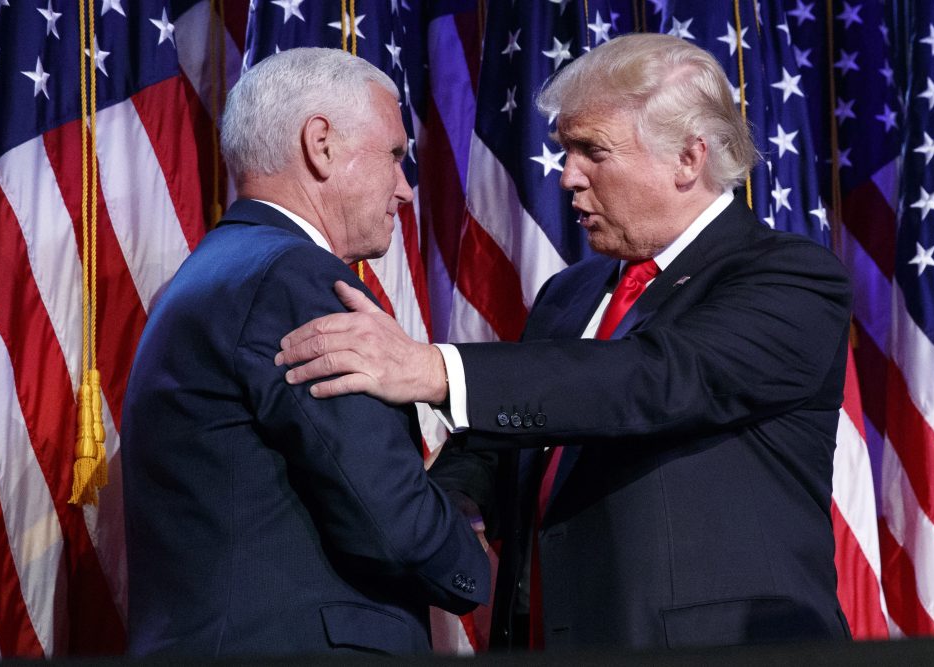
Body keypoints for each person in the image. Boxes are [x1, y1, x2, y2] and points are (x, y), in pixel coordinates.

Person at [275, 33, 853, 651]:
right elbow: (503, 437)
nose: (567, 176)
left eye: (591, 151)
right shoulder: (568, 294)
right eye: (564, 150)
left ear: (688, 158)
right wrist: (447, 509)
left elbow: (653, 378)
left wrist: (435, 370)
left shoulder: (789, 278)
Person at [120, 47, 489, 657]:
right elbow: (387, 519)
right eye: (396, 155)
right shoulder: (290, 279)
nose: (405, 188)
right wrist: (472, 553)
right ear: (320, 143)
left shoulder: (219, 271)